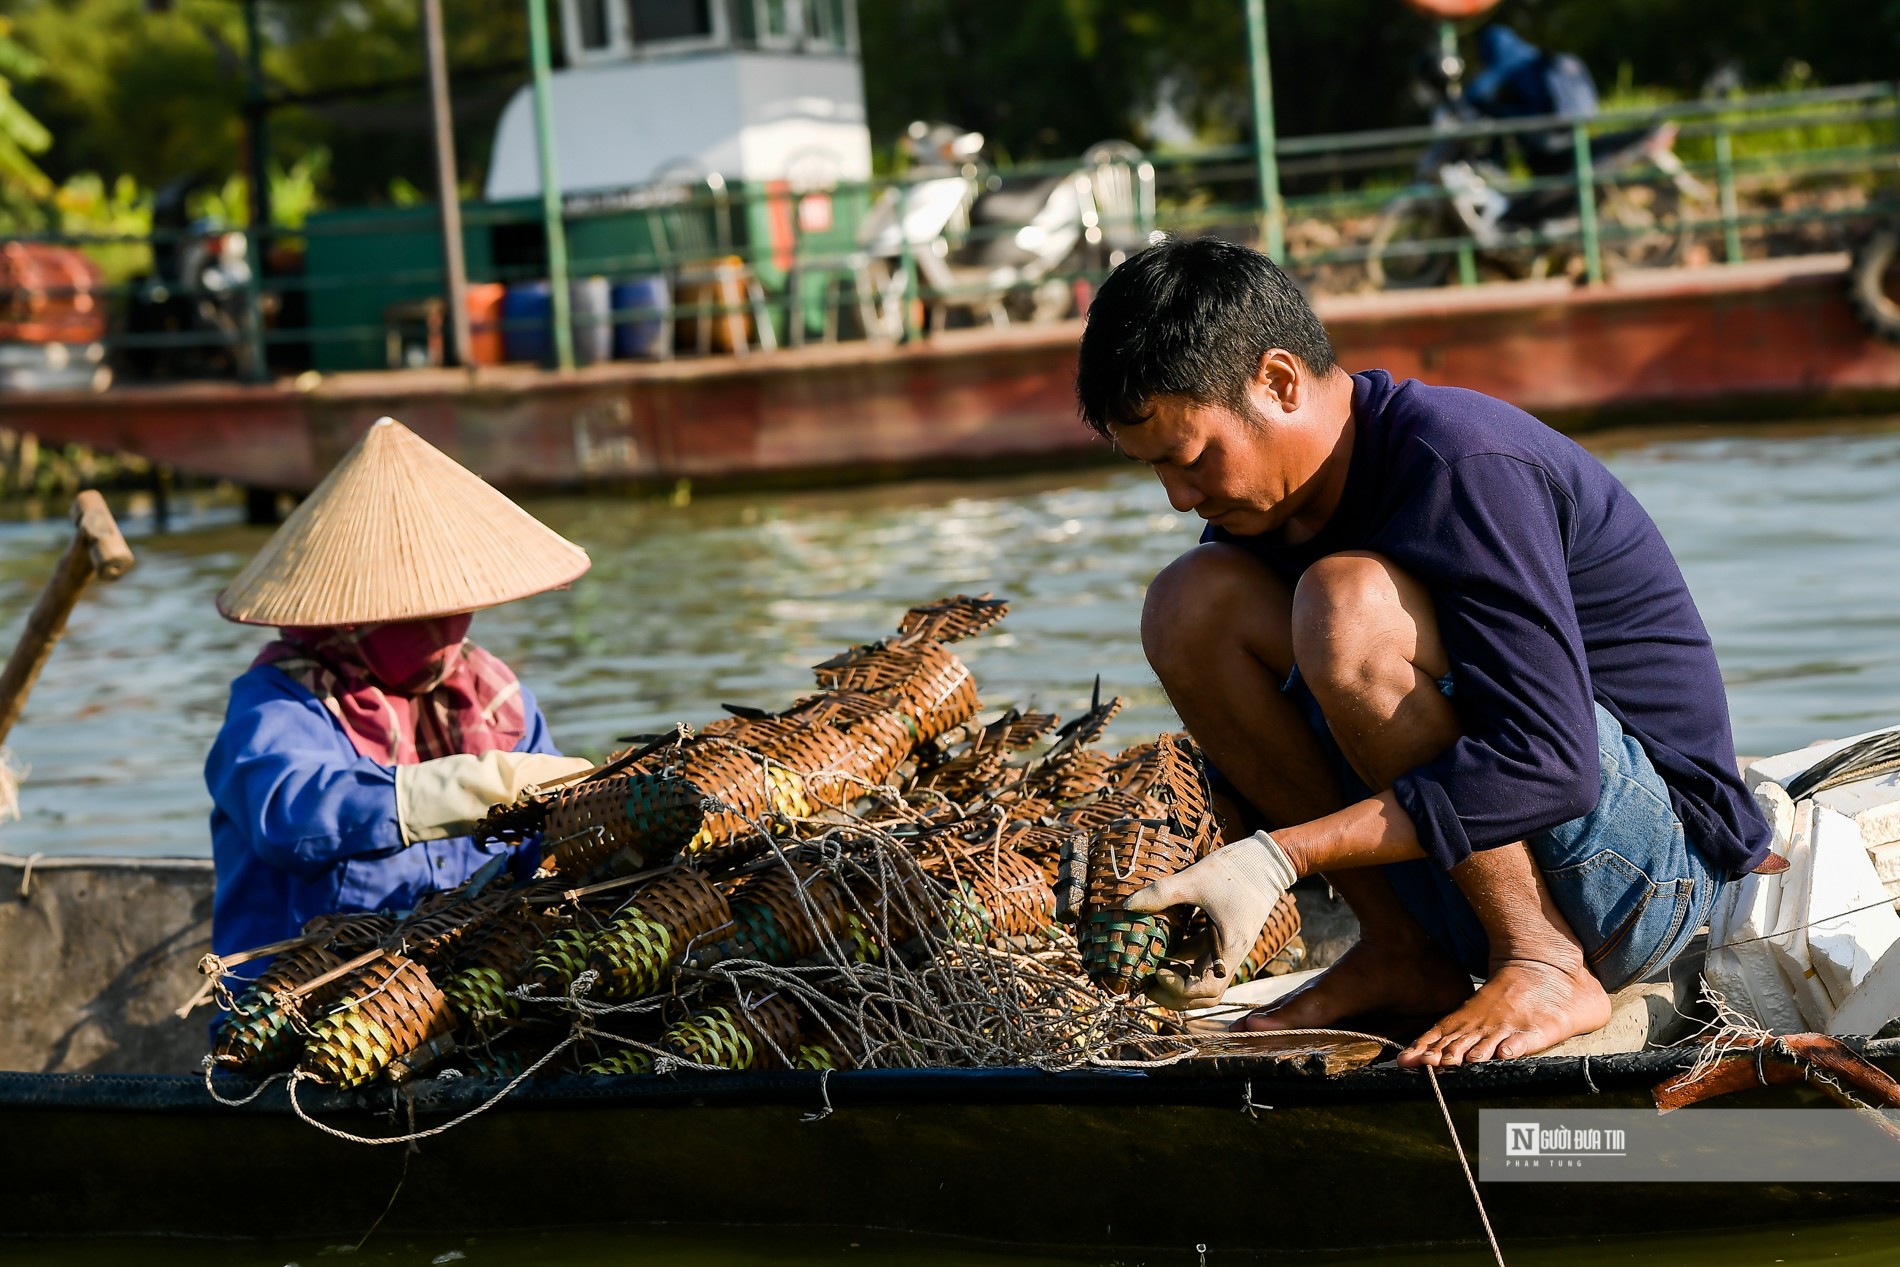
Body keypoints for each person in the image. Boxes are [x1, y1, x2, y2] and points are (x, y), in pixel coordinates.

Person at [1074, 239, 1773, 1066]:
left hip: (1648, 874)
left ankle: (1542, 960)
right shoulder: (1255, 516)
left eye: (1188, 458)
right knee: (1189, 601)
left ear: (1280, 381)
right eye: (1154, 469)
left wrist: (1280, 856)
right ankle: (1402, 947)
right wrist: (1181, 876)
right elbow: (1263, 739)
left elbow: (1552, 765)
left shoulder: (1463, 462)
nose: (1178, 495)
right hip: (1465, 875)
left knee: (1344, 603)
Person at [206, 417, 595, 975]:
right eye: (412, 613)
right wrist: (453, 792)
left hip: (457, 997)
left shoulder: (496, 699)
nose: (438, 631)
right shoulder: (278, 701)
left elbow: (547, 860)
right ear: (348, 614)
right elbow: (289, 815)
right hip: (294, 1012)